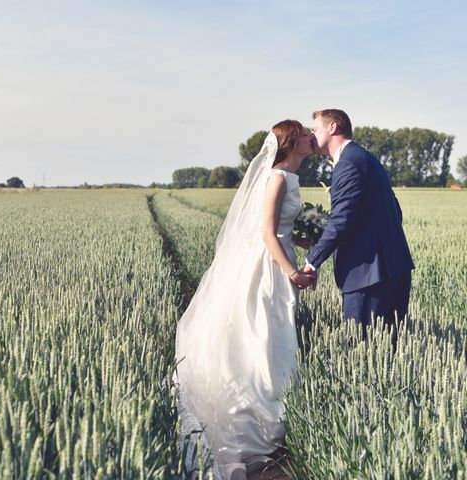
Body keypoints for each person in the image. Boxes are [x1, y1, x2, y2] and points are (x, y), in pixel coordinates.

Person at [174, 120, 316, 480]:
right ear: (290, 143)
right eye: (302, 133)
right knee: (264, 333)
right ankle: (257, 419)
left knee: (272, 333)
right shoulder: (278, 178)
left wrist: (305, 239)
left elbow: (279, 230)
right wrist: (292, 272)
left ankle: (272, 410)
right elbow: (267, 233)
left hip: (276, 257)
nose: (308, 137)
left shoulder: (286, 177)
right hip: (268, 267)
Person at [304, 109, 414, 333]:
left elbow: (342, 219)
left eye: (314, 129)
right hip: (394, 268)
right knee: (387, 353)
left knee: (361, 350)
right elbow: (395, 211)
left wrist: (312, 261)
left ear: (332, 127)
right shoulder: (365, 157)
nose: (311, 135)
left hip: (368, 276)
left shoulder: (348, 163)